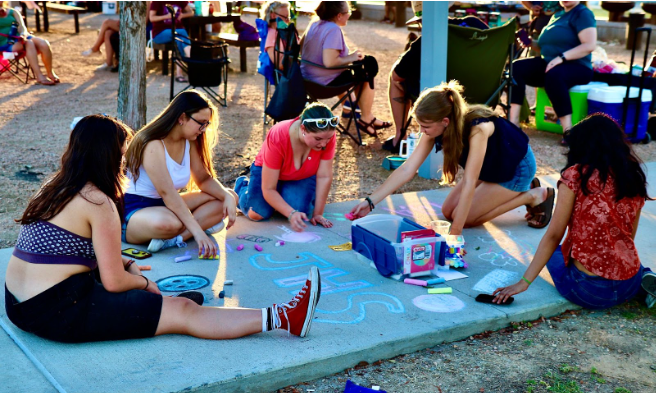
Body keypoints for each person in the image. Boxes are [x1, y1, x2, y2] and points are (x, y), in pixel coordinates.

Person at [4, 114, 321, 343]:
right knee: (183, 310)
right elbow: (114, 283)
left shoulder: (55, 186)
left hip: (17, 303)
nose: (125, 163)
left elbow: (70, 249)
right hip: (56, 312)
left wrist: (126, 264)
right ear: (109, 156)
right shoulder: (99, 202)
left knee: (155, 295)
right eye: (123, 155)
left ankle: (158, 308)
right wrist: (142, 284)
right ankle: (285, 317)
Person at [493, 114, 656, 309]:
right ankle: (644, 277)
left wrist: (523, 283)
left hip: (589, 290)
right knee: (622, 251)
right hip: (627, 283)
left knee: (554, 252)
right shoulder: (631, 174)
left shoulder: (576, 176)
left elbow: (554, 235)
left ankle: (638, 278)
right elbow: (628, 236)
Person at [350, 81, 555, 234]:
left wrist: (455, 236)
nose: (422, 131)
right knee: (449, 212)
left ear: (445, 121)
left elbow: (469, 182)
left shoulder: (478, 129)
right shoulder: (436, 128)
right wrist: (370, 201)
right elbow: (407, 168)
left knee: (464, 219)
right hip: (493, 166)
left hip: (515, 168)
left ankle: (533, 195)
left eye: (426, 127)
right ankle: (517, 192)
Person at [123, 90, 236, 256]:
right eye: (201, 123)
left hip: (168, 205)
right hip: (137, 210)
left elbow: (204, 179)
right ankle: (195, 228)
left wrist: (227, 197)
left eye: (207, 125)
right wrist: (199, 232)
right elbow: (167, 193)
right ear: (182, 118)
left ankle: (176, 239)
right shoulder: (153, 144)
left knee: (228, 196)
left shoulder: (189, 141)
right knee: (169, 224)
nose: (203, 130)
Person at [234, 103, 336, 233]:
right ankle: (242, 186)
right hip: (268, 174)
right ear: (303, 128)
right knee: (258, 213)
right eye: (318, 139)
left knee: (301, 211)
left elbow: (324, 176)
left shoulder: (326, 134)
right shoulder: (279, 134)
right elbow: (269, 188)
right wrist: (291, 213)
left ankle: (283, 195)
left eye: (328, 138)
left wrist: (318, 213)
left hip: (300, 175)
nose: (323, 144)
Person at [509, 1, 597, 144]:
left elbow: (589, 45)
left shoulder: (583, 13)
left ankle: (568, 131)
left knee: (554, 75)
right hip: (551, 63)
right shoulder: (558, 15)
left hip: (578, 66)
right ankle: (513, 123)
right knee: (516, 67)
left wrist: (561, 58)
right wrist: (530, 43)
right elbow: (546, 48)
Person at [300, 1, 391, 137]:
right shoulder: (333, 29)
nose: (349, 15)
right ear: (339, 15)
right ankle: (366, 119)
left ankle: (364, 115)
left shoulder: (314, 23)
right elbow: (330, 62)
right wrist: (352, 57)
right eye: (348, 12)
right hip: (324, 84)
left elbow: (301, 49)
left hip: (306, 80)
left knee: (358, 71)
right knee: (367, 73)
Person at [0, 1, 58, 85]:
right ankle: (39, 76)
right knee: (28, 43)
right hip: (4, 43)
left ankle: (50, 73)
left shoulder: (13, 12)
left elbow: (22, 28)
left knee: (44, 43)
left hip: (20, 37)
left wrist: (23, 35)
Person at [383, 32, 421, 153]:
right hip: (471, 92)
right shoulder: (474, 30)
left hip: (431, 93)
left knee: (395, 80)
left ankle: (400, 135)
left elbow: (397, 76)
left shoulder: (425, 41)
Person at [149, 1, 193, 83]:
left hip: (176, 32)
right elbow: (152, 18)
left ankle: (180, 75)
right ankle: (193, 63)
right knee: (182, 34)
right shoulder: (157, 2)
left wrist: (183, 15)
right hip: (160, 33)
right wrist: (167, 16)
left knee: (179, 40)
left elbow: (191, 12)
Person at [260, 0, 292, 70]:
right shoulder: (271, 35)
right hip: (287, 77)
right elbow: (280, 64)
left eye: (289, 17)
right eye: (285, 17)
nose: (288, 21)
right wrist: (292, 47)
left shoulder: (281, 33)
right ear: (273, 15)